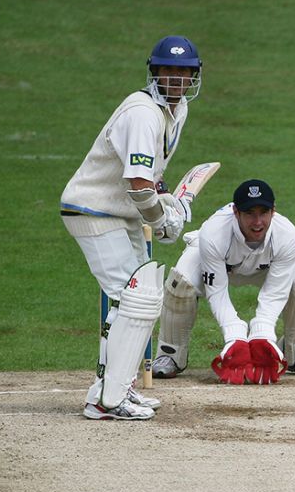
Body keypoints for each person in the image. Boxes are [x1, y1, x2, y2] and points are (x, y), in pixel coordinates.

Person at [60, 35, 203, 420]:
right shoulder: (142, 113)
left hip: (120, 213)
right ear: (154, 72)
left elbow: (150, 178)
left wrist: (168, 201)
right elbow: (137, 186)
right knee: (133, 299)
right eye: (168, 71)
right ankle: (107, 402)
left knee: (142, 298)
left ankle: (112, 388)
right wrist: (160, 222)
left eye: (184, 72)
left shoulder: (178, 110)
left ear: (193, 77)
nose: (176, 79)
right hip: (93, 210)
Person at [153, 179, 295, 383]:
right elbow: (216, 291)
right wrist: (234, 334)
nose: (257, 221)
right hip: (214, 260)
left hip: (265, 265)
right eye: (250, 213)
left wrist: (263, 332)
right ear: (236, 212)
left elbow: (276, 292)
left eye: (263, 212)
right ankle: (170, 354)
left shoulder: (288, 236)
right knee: (180, 285)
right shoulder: (214, 233)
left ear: (273, 212)